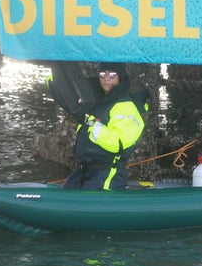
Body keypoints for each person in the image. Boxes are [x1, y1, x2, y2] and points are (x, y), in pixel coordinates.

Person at [62, 62, 146, 190]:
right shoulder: (97, 101)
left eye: (112, 75)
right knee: (67, 192)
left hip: (107, 174)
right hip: (85, 170)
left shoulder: (126, 106)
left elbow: (117, 143)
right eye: (103, 74)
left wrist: (89, 121)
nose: (107, 78)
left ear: (120, 77)